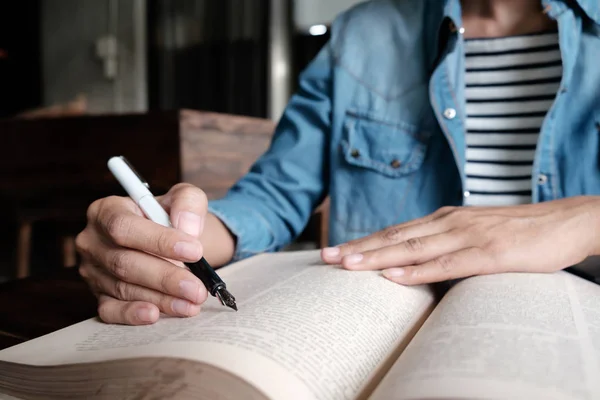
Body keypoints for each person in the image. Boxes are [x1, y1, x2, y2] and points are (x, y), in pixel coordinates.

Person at [76, 0, 600, 325]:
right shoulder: (361, 35)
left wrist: (588, 218)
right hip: (373, 327)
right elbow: (273, 198)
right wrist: (177, 239)